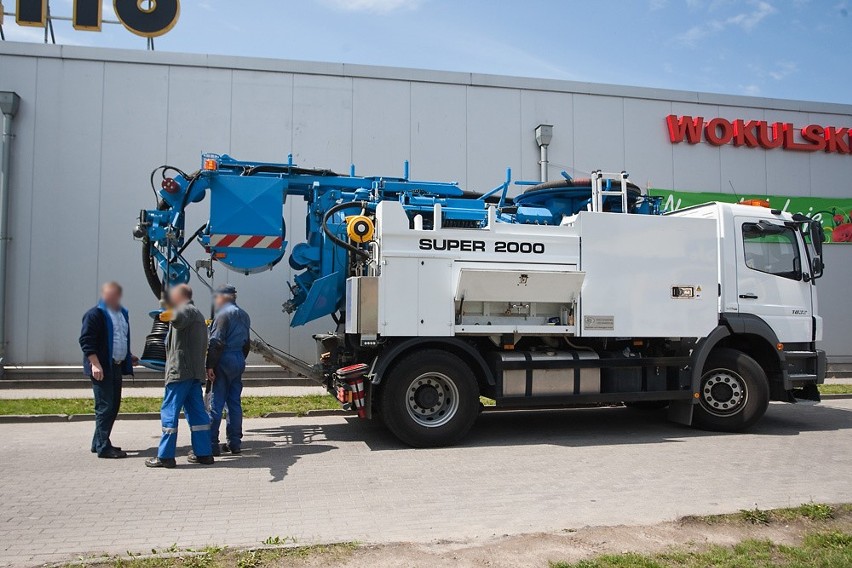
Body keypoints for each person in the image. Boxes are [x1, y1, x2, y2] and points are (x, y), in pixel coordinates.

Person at [145, 284, 214, 468]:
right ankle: (204, 453)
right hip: (193, 373)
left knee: (169, 412)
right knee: (197, 414)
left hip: (180, 373)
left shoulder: (184, 310)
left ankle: (165, 456)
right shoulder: (198, 315)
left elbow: (177, 317)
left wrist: (165, 311)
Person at [79, 281, 136, 459]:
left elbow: (120, 338)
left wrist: (129, 355)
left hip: (117, 365)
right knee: (105, 406)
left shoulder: (121, 314)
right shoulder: (95, 314)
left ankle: (98, 443)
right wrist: (95, 364)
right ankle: (103, 447)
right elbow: (86, 341)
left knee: (113, 405)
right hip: (102, 367)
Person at [206, 285, 251, 456]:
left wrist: (210, 365)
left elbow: (216, 343)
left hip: (224, 359)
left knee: (216, 403)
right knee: (234, 403)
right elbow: (247, 342)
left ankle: (211, 444)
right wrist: (240, 359)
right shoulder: (244, 315)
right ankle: (235, 443)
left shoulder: (223, 315)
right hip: (238, 358)